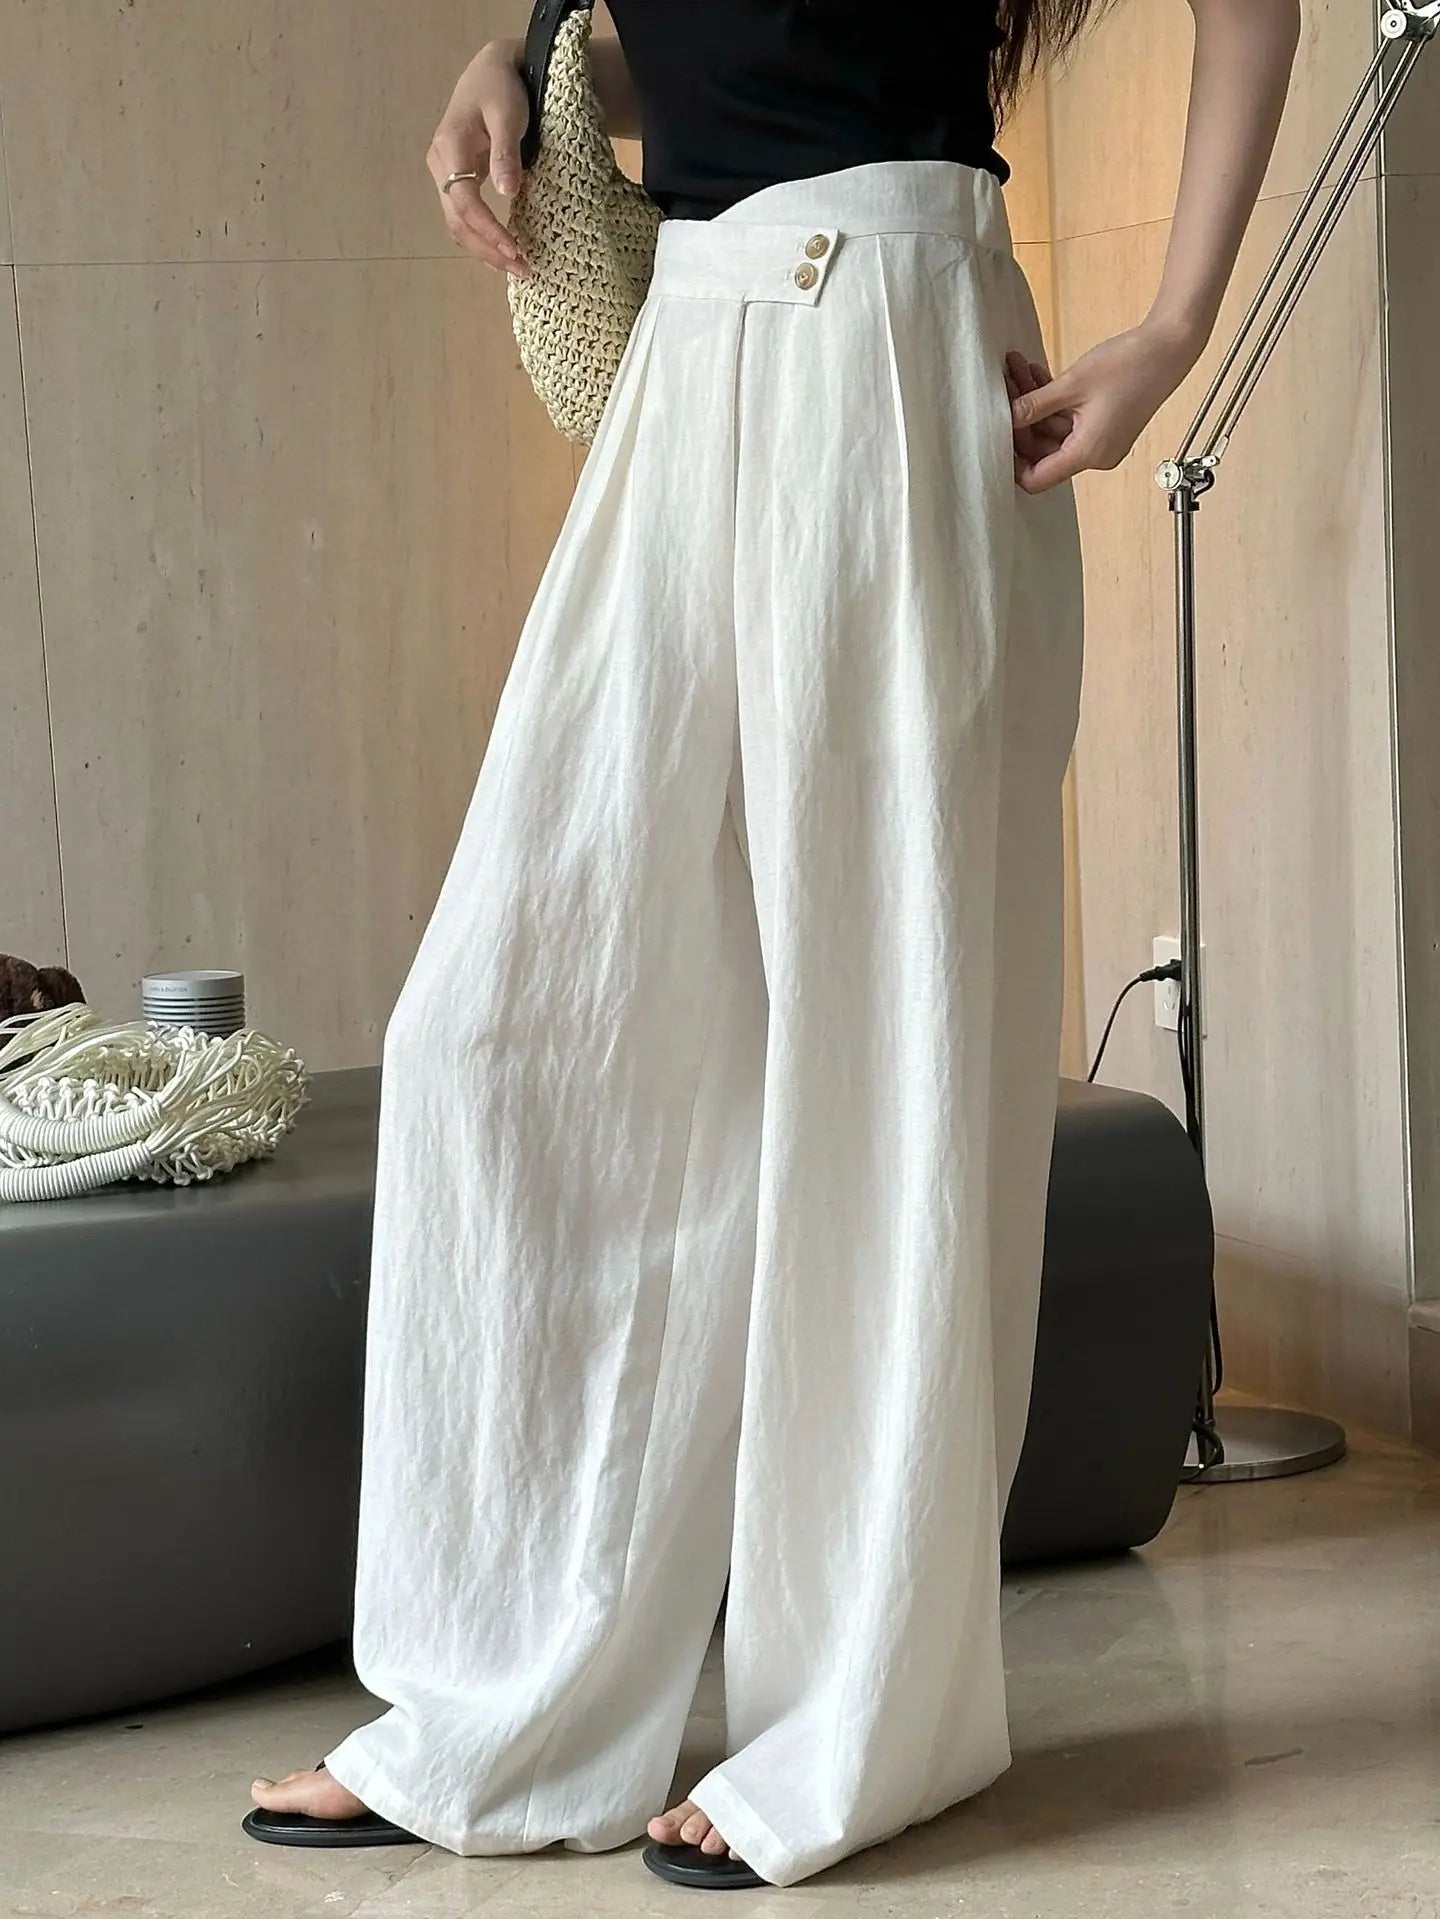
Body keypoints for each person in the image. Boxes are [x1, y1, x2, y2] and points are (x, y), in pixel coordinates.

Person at [245, 0, 1302, 1892]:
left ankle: (865, 1720)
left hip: (893, 338)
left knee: (887, 1063)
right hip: (691, 353)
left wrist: (1174, 325)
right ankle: (508, 1703)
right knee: (506, 1026)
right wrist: (522, 63)